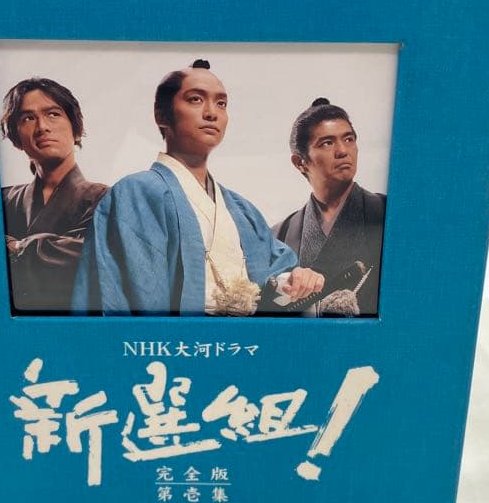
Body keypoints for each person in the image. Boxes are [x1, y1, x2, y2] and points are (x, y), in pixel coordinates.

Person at [72, 60, 324, 316]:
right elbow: (133, 294)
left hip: (247, 337)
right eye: (195, 99)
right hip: (177, 337)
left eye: (221, 103)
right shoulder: (137, 193)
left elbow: (275, 275)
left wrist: (295, 281)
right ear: (161, 115)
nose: (212, 113)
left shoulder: (241, 210)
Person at [0, 77, 107, 314]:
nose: (42, 127)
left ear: (76, 129)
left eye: (53, 114)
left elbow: (91, 256)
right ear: (17, 138)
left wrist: (16, 246)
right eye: (28, 118)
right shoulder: (2, 200)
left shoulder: (104, 198)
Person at [273, 98, 385, 317]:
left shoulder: (388, 214)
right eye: (327, 143)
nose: (343, 151)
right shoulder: (278, 235)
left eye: (349, 139)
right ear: (299, 162)